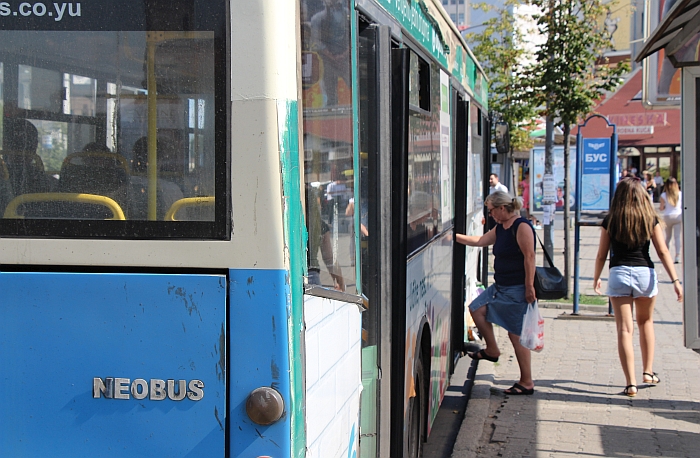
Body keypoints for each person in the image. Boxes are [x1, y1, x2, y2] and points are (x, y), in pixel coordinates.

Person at [592, 177, 683, 397]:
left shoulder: (610, 220)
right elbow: (662, 251)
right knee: (646, 322)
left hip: (619, 274)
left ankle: (630, 384)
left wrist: (596, 278)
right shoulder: (649, 217)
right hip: (645, 274)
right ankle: (648, 372)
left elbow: (602, 254)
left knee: (624, 329)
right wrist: (675, 281)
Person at [455, 191, 536, 396]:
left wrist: (529, 287)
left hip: (517, 289)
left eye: (491, 210)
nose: (490, 215)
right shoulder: (500, 228)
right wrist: (451, 236)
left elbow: (530, 257)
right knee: (476, 308)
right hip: (500, 287)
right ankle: (492, 350)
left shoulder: (521, 226)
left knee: (516, 335)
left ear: (502, 208)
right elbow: (480, 241)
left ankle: (526, 381)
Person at [659, 177, 682, 264]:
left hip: (667, 216)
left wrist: (664, 207)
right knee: (677, 237)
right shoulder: (680, 194)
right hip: (678, 216)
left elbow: (661, 208)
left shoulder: (664, 195)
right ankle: (677, 256)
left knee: (668, 237)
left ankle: (665, 255)